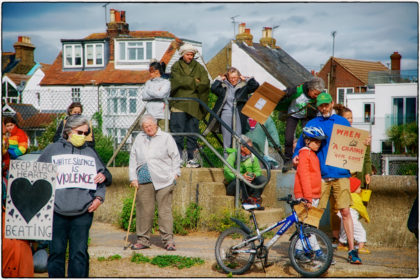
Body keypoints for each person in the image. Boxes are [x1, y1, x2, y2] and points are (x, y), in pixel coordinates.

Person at [293, 92, 362, 264]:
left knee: (346, 212)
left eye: (326, 104)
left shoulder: (343, 122)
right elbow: (301, 146)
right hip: (321, 176)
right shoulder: (312, 123)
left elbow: (352, 146)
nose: (324, 108)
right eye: (321, 105)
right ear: (317, 106)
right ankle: (309, 249)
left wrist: (364, 144)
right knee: (313, 213)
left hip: (341, 175)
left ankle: (352, 250)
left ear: (332, 103)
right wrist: (295, 156)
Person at [37, 115, 107, 277]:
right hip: (56, 212)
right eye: (79, 132)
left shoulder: (90, 152)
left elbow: (101, 177)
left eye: (85, 133)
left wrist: (99, 198)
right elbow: (37, 174)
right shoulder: (52, 150)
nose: (83, 136)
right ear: (68, 131)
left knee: (79, 255)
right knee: (56, 253)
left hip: (83, 212)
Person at [129, 114, 181, 251]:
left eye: (150, 125)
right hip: (144, 179)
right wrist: (133, 178)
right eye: (145, 127)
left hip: (164, 179)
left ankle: (168, 241)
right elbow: (133, 158)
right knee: (144, 211)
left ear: (156, 125)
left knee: (164, 211)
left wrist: (176, 174)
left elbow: (175, 156)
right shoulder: (139, 138)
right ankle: (142, 240)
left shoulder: (166, 138)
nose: (148, 129)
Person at [330, 104, 372, 247]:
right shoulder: (334, 134)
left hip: (353, 178)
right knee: (336, 209)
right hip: (337, 176)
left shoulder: (359, 135)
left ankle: (350, 239)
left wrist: (367, 172)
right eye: (347, 118)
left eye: (351, 118)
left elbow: (366, 157)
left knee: (351, 209)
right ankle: (338, 237)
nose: (350, 120)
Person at [169, 43, 210, 168]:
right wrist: (194, 81)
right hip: (178, 104)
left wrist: (186, 82)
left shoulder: (199, 67)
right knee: (178, 133)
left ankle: (191, 158)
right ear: (182, 54)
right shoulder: (176, 66)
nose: (190, 57)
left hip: (194, 105)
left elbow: (205, 82)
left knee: (192, 133)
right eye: (188, 54)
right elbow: (176, 81)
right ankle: (179, 158)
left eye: (192, 54)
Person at [2, 117, 33, 277]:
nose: (8, 128)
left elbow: (22, 148)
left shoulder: (19, 134)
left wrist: (11, 153)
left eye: (9, 125)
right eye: (5, 125)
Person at [204, 67, 259, 157]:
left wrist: (247, 79)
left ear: (239, 77)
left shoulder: (243, 86)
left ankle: (237, 163)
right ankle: (227, 163)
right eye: (231, 78)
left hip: (238, 114)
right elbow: (213, 88)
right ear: (227, 77)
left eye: (235, 78)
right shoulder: (224, 86)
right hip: (226, 114)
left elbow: (255, 86)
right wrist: (219, 79)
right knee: (227, 140)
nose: (233, 80)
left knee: (238, 139)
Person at [293, 126, 329, 262]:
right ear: (307, 141)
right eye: (315, 141)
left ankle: (299, 250)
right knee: (308, 226)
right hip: (305, 195)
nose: (318, 144)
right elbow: (304, 177)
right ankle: (316, 251)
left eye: (320, 142)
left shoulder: (311, 154)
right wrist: (307, 197)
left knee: (306, 225)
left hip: (312, 195)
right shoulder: (305, 154)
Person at [276, 76, 325, 172]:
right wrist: (285, 95)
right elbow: (283, 94)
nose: (316, 96)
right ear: (310, 89)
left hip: (307, 116)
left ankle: (306, 159)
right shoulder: (298, 90)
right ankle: (287, 161)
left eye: (318, 95)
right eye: (315, 94)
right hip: (293, 114)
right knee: (288, 138)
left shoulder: (319, 95)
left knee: (308, 138)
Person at [223, 135, 267, 205]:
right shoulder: (233, 156)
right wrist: (241, 177)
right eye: (250, 147)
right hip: (235, 184)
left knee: (263, 179)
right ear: (242, 148)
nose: (252, 149)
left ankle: (255, 198)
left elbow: (258, 171)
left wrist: (254, 175)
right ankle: (244, 200)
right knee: (238, 182)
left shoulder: (253, 157)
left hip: (249, 184)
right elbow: (227, 172)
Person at [337, 177, 371, 254]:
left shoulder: (346, 196)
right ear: (353, 188)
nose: (360, 189)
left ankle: (341, 244)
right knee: (361, 232)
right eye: (358, 187)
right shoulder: (356, 197)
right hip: (352, 219)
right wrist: (366, 218)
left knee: (344, 231)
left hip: (343, 216)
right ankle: (361, 246)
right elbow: (362, 209)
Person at [142, 60, 171, 130]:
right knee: (151, 133)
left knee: (164, 134)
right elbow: (144, 96)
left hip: (162, 114)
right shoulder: (148, 82)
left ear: (156, 71)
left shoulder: (166, 82)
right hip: (151, 113)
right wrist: (157, 92)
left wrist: (149, 91)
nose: (150, 74)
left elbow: (161, 95)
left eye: (151, 72)